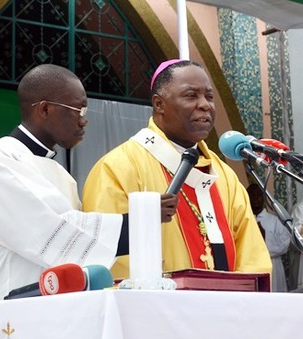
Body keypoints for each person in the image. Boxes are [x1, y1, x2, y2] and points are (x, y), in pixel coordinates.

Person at [0, 64, 178, 304]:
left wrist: (145, 218)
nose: (84, 121)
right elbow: (51, 233)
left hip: (48, 306)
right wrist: (140, 218)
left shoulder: (61, 174)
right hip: (1, 306)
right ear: (45, 109)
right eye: (78, 110)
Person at [82, 59, 271, 279]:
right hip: (162, 308)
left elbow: (252, 256)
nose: (204, 105)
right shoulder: (118, 167)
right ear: (159, 104)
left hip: (227, 309)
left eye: (209, 97)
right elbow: (111, 256)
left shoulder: (224, 176)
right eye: (191, 95)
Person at [246, 183, 290, 292]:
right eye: (251, 194)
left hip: (272, 267)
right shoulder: (242, 221)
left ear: (264, 197)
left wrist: (265, 236)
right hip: (249, 267)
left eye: (258, 194)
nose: (255, 197)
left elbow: (284, 245)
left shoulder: (275, 220)